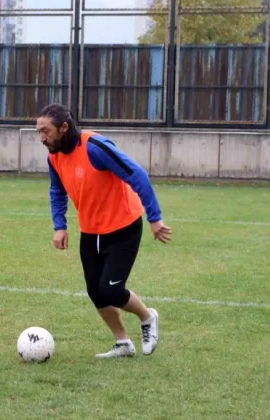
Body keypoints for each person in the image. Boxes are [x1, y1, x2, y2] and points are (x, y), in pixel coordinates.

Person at [36, 103, 173, 359]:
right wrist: (60, 226)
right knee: (95, 291)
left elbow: (136, 174)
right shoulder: (54, 156)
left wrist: (155, 217)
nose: (42, 138)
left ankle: (147, 316)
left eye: (46, 131)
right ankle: (123, 343)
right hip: (91, 231)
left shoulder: (94, 147)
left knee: (111, 290)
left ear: (64, 127)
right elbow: (57, 190)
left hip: (124, 227)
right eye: (39, 132)